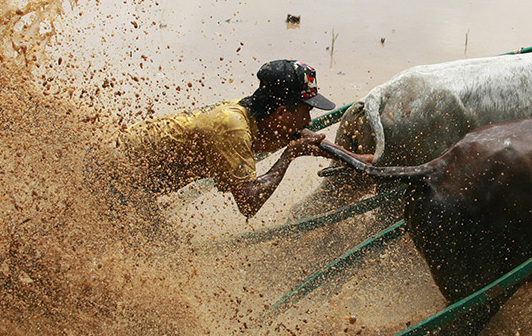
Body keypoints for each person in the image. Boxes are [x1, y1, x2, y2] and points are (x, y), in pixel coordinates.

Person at [106, 59, 366, 218]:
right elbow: (249, 203)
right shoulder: (233, 128)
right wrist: (289, 155)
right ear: (281, 111)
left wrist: (358, 161)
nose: (308, 120)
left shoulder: (265, 118)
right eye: (306, 110)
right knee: (160, 256)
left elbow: (309, 137)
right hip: (112, 174)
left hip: (135, 183)